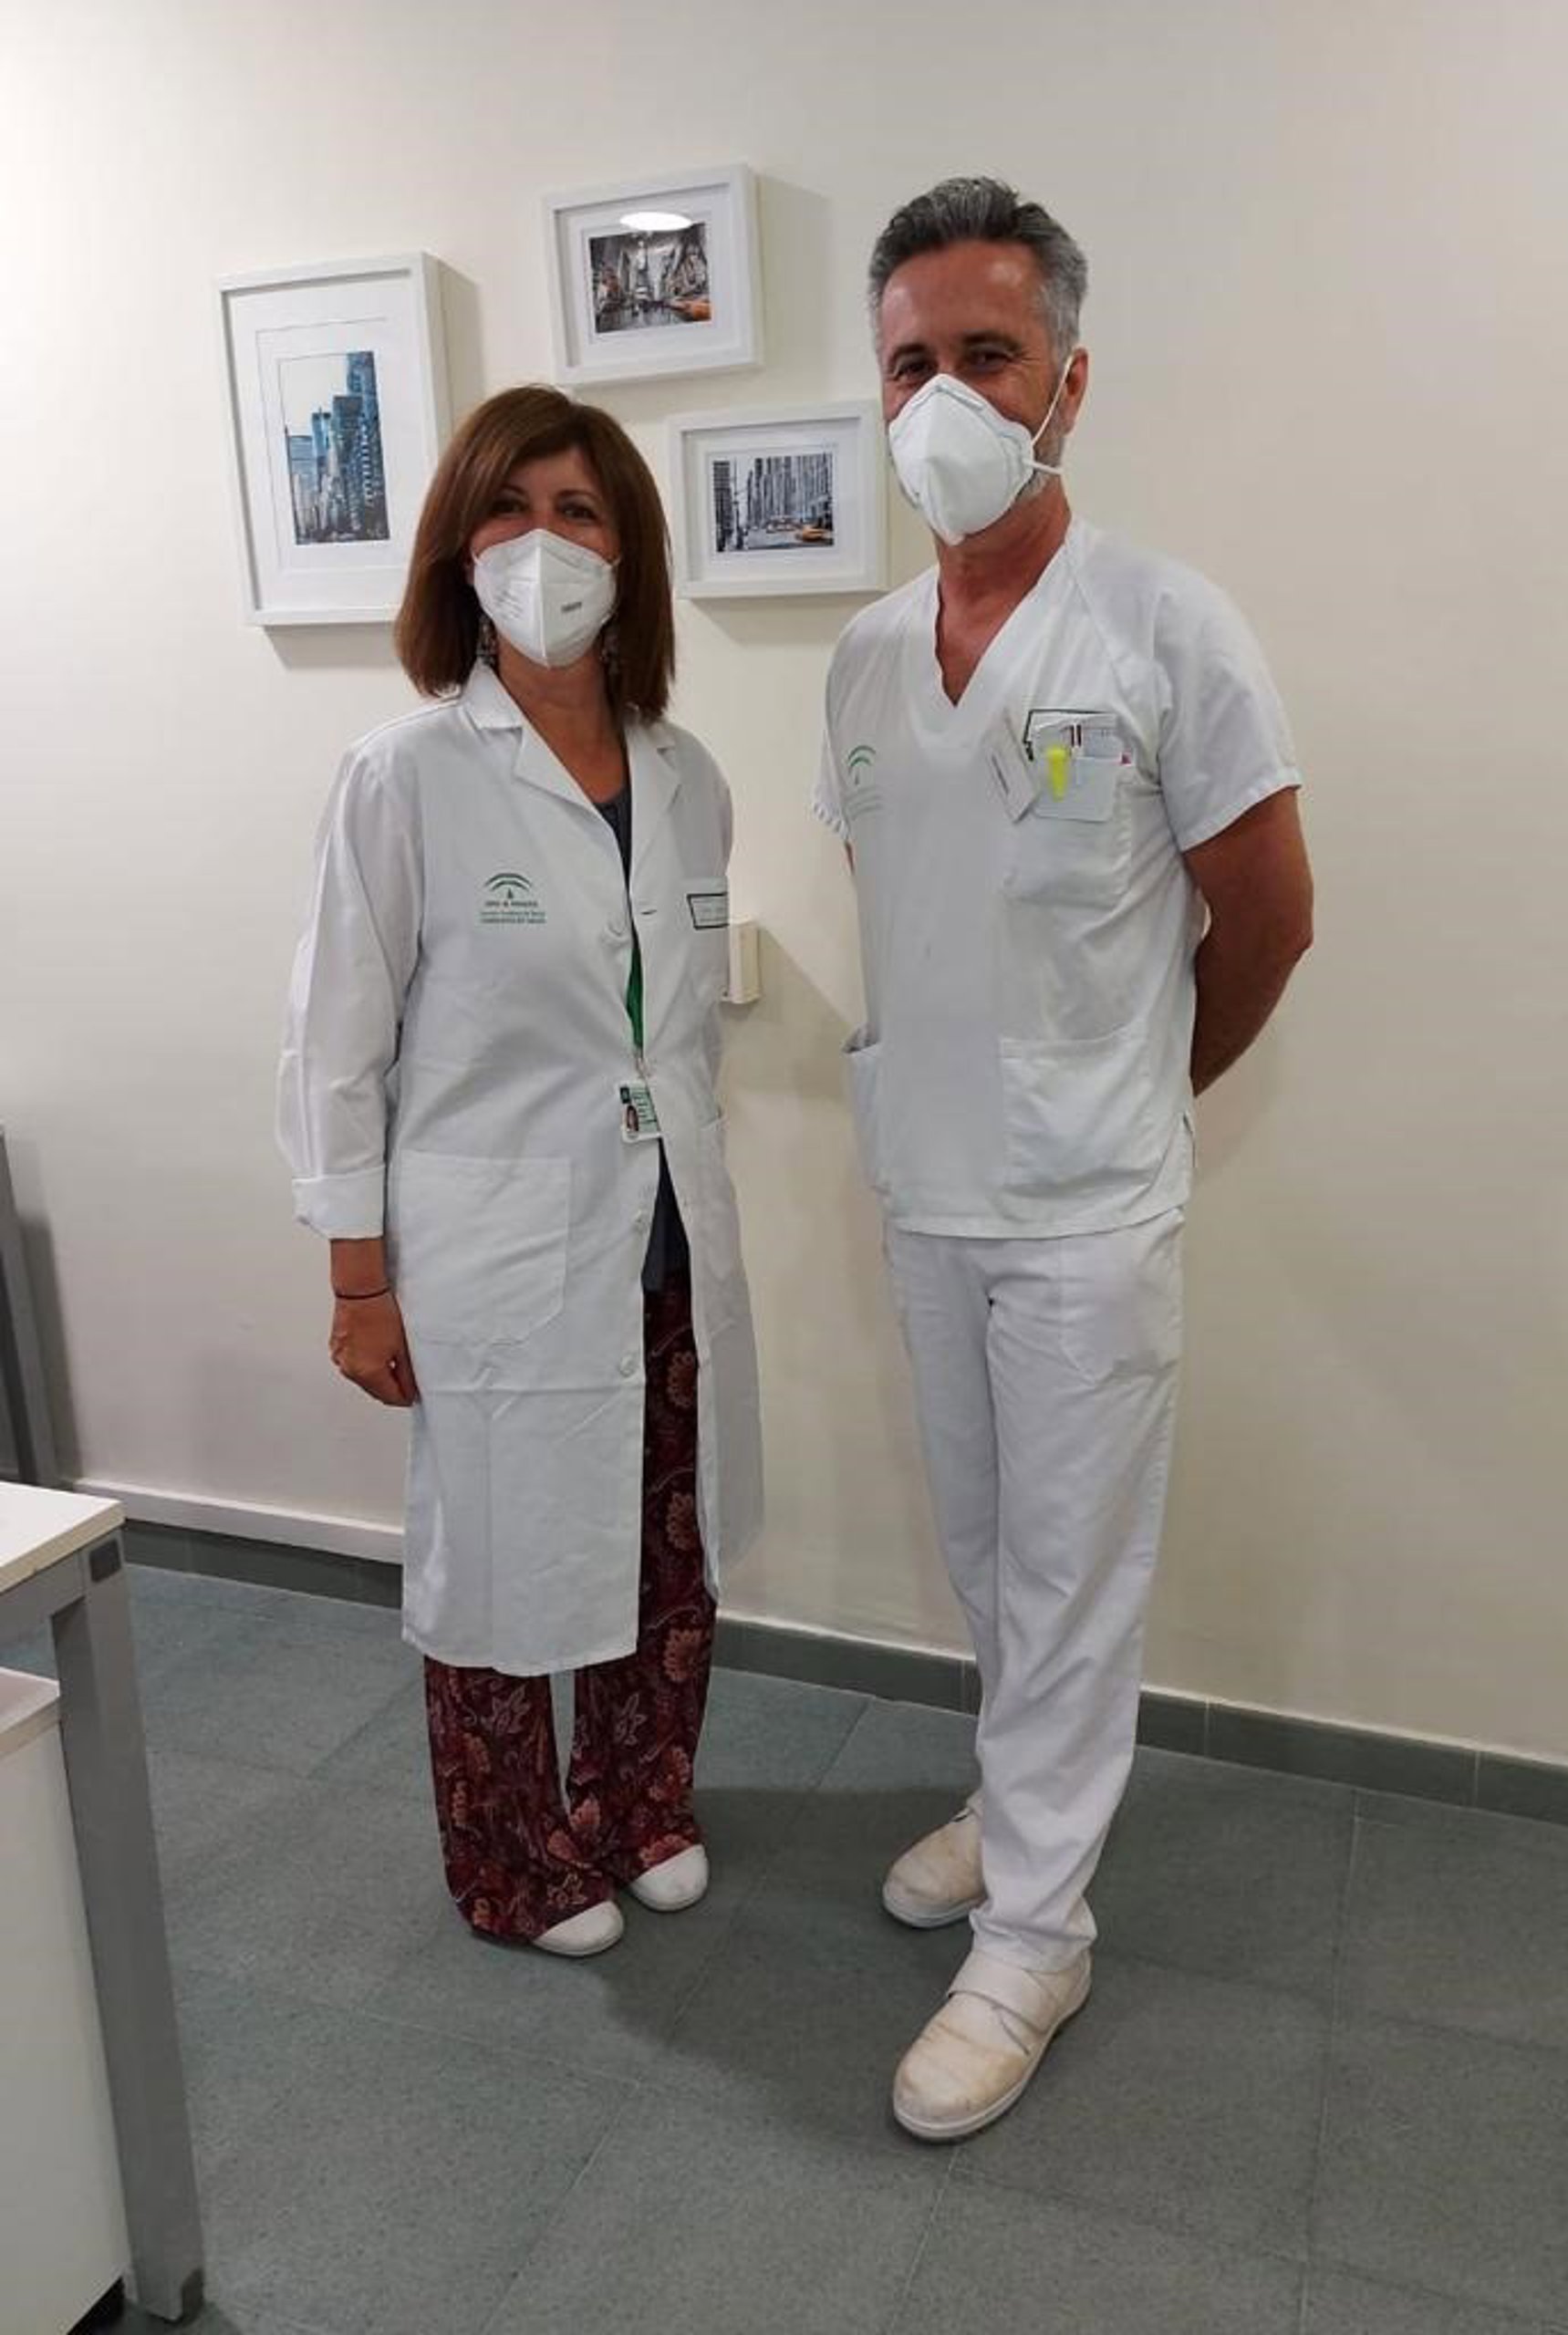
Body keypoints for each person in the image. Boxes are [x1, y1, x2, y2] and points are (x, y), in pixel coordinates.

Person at [815, 180, 1313, 2137]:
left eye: (987, 356)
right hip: (928, 1186)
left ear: (1068, 386)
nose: (944, 396)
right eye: (909, 364)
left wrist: (1139, 1095)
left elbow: (1268, 916)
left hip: (1091, 1204)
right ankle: (1017, 1806)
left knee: (1074, 1570)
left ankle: (1037, 1935)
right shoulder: (865, 659)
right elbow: (912, 901)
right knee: (984, 1549)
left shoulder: (1166, 626)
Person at [278, 385, 762, 1958]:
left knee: (662, 1535)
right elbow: (336, 1045)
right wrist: (358, 1280)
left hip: (663, 1226)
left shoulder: (686, 774)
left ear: (628, 557)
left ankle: (637, 1803)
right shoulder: (407, 773)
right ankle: (511, 1859)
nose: (541, 543)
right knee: (498, 1553)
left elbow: (674, 1020)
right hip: (493, 1246)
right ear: (456, 546)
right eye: (509, 506)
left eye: (579, 512)